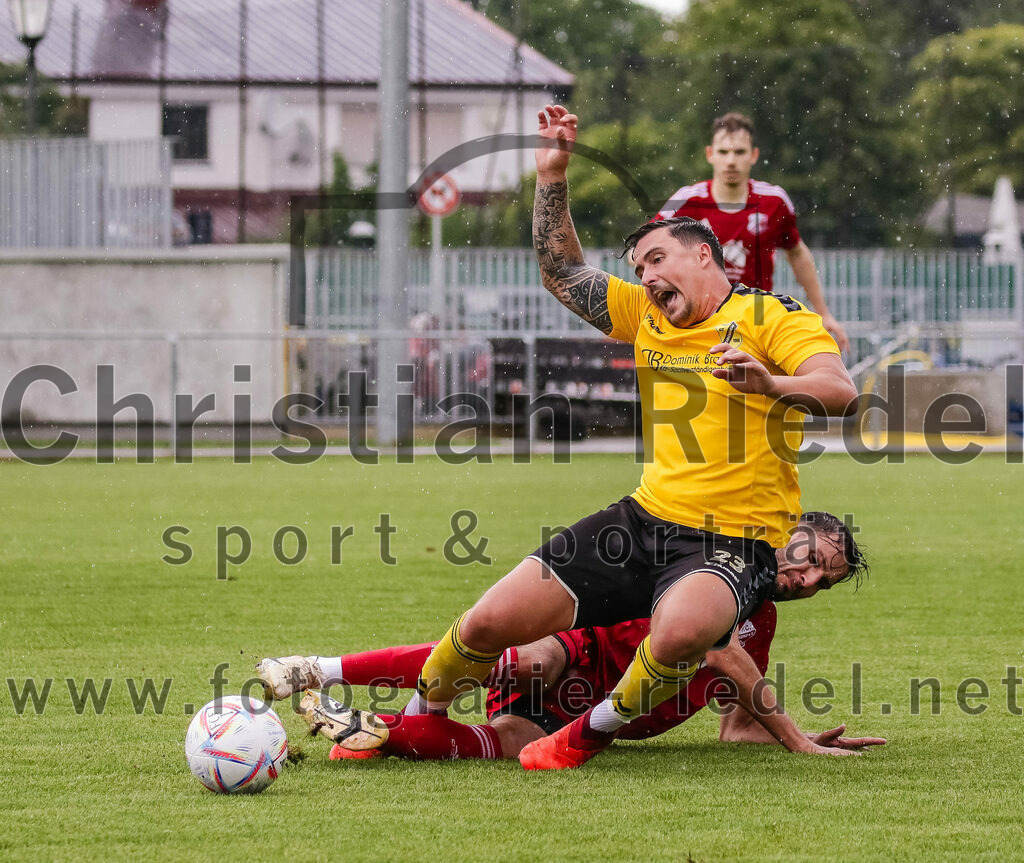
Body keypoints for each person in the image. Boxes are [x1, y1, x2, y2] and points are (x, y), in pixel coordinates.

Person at [284, 104, 857, 772]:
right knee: (486, 622)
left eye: (656, 259)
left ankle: (587, 732)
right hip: (645, 518)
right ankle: (412, 719)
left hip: (737, 538)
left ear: (704, 254)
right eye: (638, 267)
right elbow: (562, 272)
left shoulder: (769, 315)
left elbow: (839, 389)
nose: (645, 276)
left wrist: (771, 386)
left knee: (681, 629)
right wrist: (551, 176)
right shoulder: (646, 315)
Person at [258, 513, 884, 762]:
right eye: (808, 556)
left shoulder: (763, 620)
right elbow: (714, 647)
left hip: (591, 715)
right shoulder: (724, 565)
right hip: (577, 655)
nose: (805, 577)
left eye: (819, 581)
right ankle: (313, 668)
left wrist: (785, 735)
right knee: (524, 661)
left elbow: (737, 721)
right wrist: (796, 739)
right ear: (787, 532)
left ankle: (373, 732)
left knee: (503, 745)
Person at [656, 112, 850, 353]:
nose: (731, 161)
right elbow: (641, 252)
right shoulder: (687, 200)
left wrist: (824, 313)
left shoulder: (774, 201)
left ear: (753, 155)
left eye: (739, 152)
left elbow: (797, 254)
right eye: (724, 152)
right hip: (699, 323)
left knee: (762, 388)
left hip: (757, 321)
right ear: (710, 154)